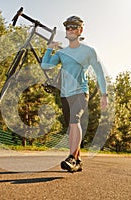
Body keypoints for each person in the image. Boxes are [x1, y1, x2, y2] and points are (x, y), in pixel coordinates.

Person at [41, 16, 108, 172]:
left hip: (80, 92)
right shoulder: (62, 53)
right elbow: (46, 65)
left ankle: (71, 157)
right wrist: (50, 48)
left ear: (80, 30)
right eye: (68, 28)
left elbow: (99, 73)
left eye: (73, 27)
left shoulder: (88, 51)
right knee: (71, 128)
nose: (70, 30)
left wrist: (104, 95)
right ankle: (77, 161)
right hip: (65, 94)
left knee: (74, 120)